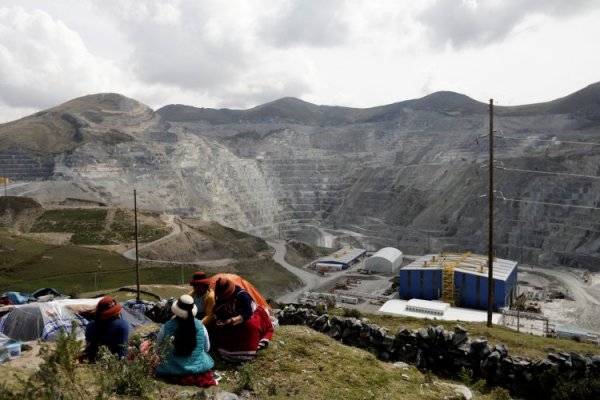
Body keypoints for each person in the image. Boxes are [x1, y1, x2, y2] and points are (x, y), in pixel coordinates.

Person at [155, 294, 216, 387]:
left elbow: (158, 349)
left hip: (171, 367)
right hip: (197, 367)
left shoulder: (166, 326)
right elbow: (206, 348)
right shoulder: (200, 326)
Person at [212, 277, 274, 362]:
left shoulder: (242, 295)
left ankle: (245, 352)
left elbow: (248, 313)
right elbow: (218, 309)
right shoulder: (221, 296)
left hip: (251, 315)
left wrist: (230, 321)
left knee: (250, 326)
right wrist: (220, 319)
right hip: (232, 317)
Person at [84, 295, 129, 362]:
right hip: (112, 364)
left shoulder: (90, 325)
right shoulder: (122, 325)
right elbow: (122, 356)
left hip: (92, 361)